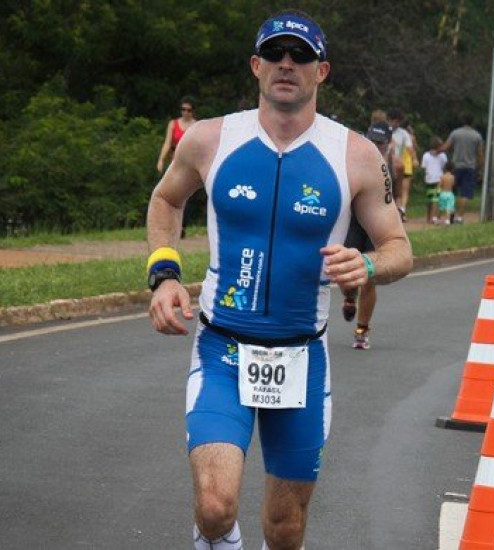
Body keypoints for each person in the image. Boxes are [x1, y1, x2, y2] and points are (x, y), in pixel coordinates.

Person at [145, 10, 412, 549]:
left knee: (285, 529)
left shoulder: (356, 155)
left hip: (301, 358)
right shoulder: (208, 139)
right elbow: (166, 199)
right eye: (275, 54)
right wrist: (165, 273)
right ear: (255, 66)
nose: (286, 64)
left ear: (322, 71)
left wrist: (365, 266)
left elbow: (399, 249)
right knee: (215, 507)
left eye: (301, 56)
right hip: (222, 348)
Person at [341, 122, 404, 350]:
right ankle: (349, 297)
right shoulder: (353, 159)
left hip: (377, 225)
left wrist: (401, 210)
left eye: (380, 143)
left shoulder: (394, 164)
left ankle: (362, 329)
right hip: (353, 222)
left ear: (388, 145)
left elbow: (400, 193)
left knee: (369, 277)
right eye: (372, 141)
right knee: (347, 275)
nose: (375, 146)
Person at [156, 96, 197, 237]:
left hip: (190, 163)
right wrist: (161, 160)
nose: (186, 112)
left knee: (187, 197)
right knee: (170, 194)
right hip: (175, 162)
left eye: (189, 110)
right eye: (183, 109)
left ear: (193, 111)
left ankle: (183, 227)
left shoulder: (196, 125)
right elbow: (167, 143)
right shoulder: (173, 124)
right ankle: (167, 225)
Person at [440, 114, 484, 223]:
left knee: (451, 192)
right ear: (472, 122)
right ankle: (459, 217)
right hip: (470, 167)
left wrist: (436, 151)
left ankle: (451, 213)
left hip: (456, 166)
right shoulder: (477, 136)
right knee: (465, 193)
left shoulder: (455, 133)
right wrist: (480, 168)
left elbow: (446, 146)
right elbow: (480, 154)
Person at [386, 109, 416, 221]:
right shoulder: (383, 130)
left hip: (397, 165)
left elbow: (409, 148)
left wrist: (414, 159)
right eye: (394, 121)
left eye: (398, 121)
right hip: (383, 163)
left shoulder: (403, 133)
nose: (396, 123)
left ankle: (398, 213)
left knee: (397, 191)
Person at [421, 136, 448, 223]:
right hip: (431, 179)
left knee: (434, 199)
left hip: (436, 180)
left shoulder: (429, 155)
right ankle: (430, 217)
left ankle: (432, 217)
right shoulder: (429, 155)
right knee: (431, 199)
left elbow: (424, 167)